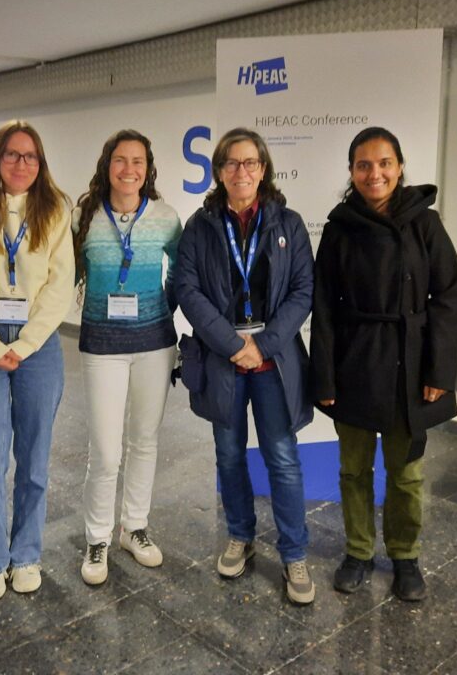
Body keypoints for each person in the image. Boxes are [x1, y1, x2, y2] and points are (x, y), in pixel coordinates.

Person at [310, 126, 457, 602]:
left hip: (410, 363)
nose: (374, 173)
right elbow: (324, 306)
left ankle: (405, 556)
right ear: (352, 172)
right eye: (363, 165)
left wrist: (439, 371)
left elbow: (449, 297)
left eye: (383, 163)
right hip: (355, 361)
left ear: (399, 167)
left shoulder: (426, 225)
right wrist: (325, 375)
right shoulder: (338, 229)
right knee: (353, 470)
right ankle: (357, 552)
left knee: (407, 473)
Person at [175, 127, 316, 605]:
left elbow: (303, 292)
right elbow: (187, 290)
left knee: (282, 456)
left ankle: (295, 554)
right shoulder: (200, 226)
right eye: (232, 163)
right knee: (230, 454)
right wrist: (232, 343)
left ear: (263, 169)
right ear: (218, 171)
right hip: (223, 357)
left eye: (251, 162)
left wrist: (265, 345)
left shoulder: (288, 224)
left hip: (274, 361)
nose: (242, 171)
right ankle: (240, 534)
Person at [0, 120, 74, 602]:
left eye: (30, 156)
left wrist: (22, 346)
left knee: (34, 461)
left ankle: (25, 554)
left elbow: (58, 288)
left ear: (39, 164)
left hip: (38, 348)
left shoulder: (55, 211)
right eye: (12, 155)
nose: (21, 164)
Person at [72, 130, 182, 586]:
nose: (129, 170)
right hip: (101, 347)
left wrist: (162, 307)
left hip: (154, 343)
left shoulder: (165, 217)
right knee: (105, 450)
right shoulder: (84, 216)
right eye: (121, 160)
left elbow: (181, 270)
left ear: (148, 168)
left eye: (138, 161)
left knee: (145, 441)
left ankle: (132, 528)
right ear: (107, 164)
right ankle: (97, 537)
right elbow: (65, 269)